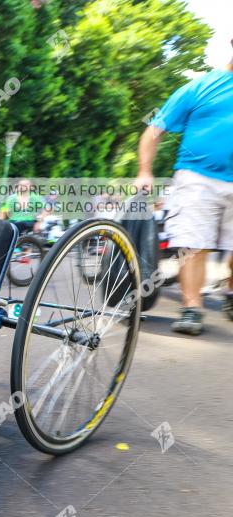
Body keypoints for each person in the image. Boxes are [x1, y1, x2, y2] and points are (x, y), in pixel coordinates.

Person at [135, 46, 233, 334]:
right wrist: (144, 171)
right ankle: (192, 308)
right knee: (194, 245)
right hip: (197, 177)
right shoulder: (201, 86)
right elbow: (154, 131)